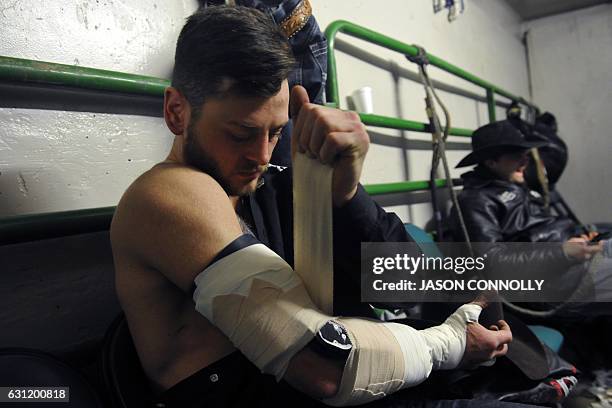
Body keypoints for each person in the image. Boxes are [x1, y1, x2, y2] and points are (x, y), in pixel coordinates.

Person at [110, 6, 528, 408]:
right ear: (176, 112)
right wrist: (450, 345)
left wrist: (345, 195)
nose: (260, 154)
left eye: (276, 131)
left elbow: (411, 280)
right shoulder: (169, 193)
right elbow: (324, 368)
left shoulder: (270, 187)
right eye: (240, 134)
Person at [448, 120, 612, 317]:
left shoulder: (514, 186)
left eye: (524, 154)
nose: (525, 160)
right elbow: (493, 264)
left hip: (569, 268)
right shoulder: (475, 201)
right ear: (491, 162)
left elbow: (536, 232)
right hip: (551, 287)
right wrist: (563, 253)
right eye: (516, 156)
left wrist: (578, 238)